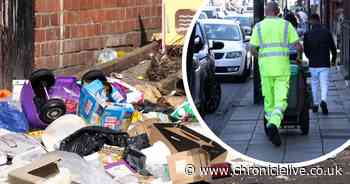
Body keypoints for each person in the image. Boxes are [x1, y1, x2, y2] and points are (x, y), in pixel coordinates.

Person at [250, 2, 302, 146]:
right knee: (281, 100)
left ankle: (270, 126)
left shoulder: (258, 26)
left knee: (268, 101)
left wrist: (260, 57)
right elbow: (298, 46)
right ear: (278, 11)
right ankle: (274, 124)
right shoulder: (286, 25)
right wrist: (299, 57)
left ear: (266, 12)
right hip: (282, 69)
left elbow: (252, 49)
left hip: (265, 69)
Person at [303, 14, 337, 115]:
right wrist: (333, 59)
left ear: (311, 21)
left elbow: (306, 50)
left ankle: (315, 104)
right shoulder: (326, 32)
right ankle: (324, 101)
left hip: (313, 63)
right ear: (319, 20)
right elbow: (333, 47)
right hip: (324, 63)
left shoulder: (307, 34)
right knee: (324, 83)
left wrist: (310, 57)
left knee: (314, 83)